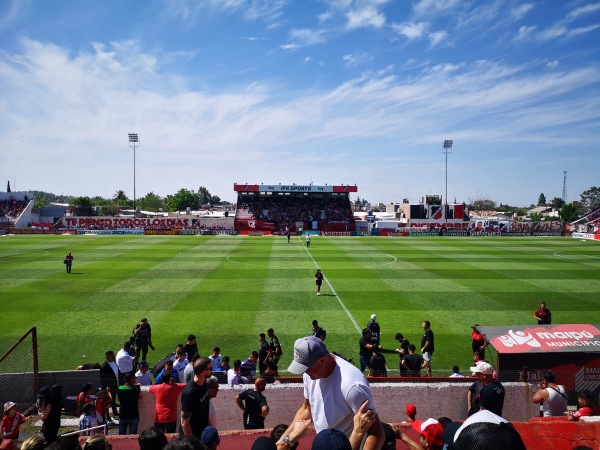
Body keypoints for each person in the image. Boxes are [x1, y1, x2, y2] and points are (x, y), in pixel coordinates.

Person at [276, 336, 384, 450]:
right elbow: (307, 409)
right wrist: (283, 440)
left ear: (322, 361)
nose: (304, 372)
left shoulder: (352, 386)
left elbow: (376, 433)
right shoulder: (310, 373)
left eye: (306, 368)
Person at [180, 357, 212, 438]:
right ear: (204, 372)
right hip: (192, 437)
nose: (212, 370)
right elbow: (184, 422)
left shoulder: (204, 382)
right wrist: (192, 443)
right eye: (210, 368)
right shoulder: (190, 393)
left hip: (201, 432)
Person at [99, 351, 119, 417]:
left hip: (116, 384)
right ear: (107, 357)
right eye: (112, 356)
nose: (113, 357)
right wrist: (106, 389)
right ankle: (109, 416)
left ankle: (115, 413)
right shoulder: (104, 367)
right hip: (110, 387)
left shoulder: (114, 363)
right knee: (110, 401)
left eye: (113, 356)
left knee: (114, 400)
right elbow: (102, 379)